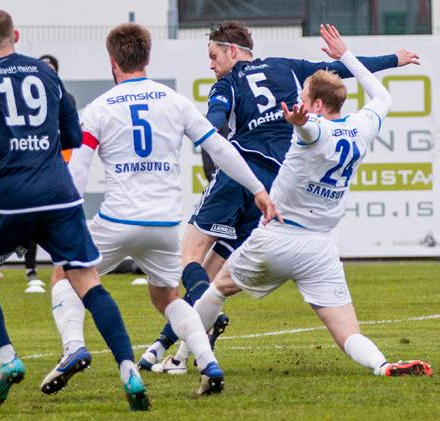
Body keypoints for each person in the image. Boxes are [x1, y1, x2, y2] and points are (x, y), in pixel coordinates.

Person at [139, 21, 420, 374]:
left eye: (214, 56)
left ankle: (184, 350)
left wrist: (198, 131)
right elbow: (351, 76)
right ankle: (381, 365)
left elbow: (217, 122)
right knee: (213, 274)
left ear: (233, 51)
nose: (211, 64)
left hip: (250, 187)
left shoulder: (237, 88)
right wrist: (390, 58)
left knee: (196, 267)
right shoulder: (331, 103)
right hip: (299, 223)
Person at [41, 23, 280, 397]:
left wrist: (61, 216)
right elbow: (220, 148)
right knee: (167, 298)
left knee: (64, 273)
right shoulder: (174, 101)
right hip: (165, 225)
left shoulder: (99, 108)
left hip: (118, 220)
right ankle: (208, 363)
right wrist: (258, 190)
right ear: (147, 58)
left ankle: (73, 346)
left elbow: (79, 172)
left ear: (112, 61)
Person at [0, 9, 150, 411]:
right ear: (16, 35)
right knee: (88, 281)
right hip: (60, 192)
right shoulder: (45, 72)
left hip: (13, 195)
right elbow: (73, 132)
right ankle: (128, 368)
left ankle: (8, 359)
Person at [19, 54, 79, 288]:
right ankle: (30, 268)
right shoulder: (25, 98)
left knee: (62, 219)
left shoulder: (66, 97)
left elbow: (72, 132)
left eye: (51, 67)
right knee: (31, 220)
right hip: (33, 166)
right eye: (43, 67)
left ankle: (64, 266)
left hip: (60, 165)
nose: (47, 71)